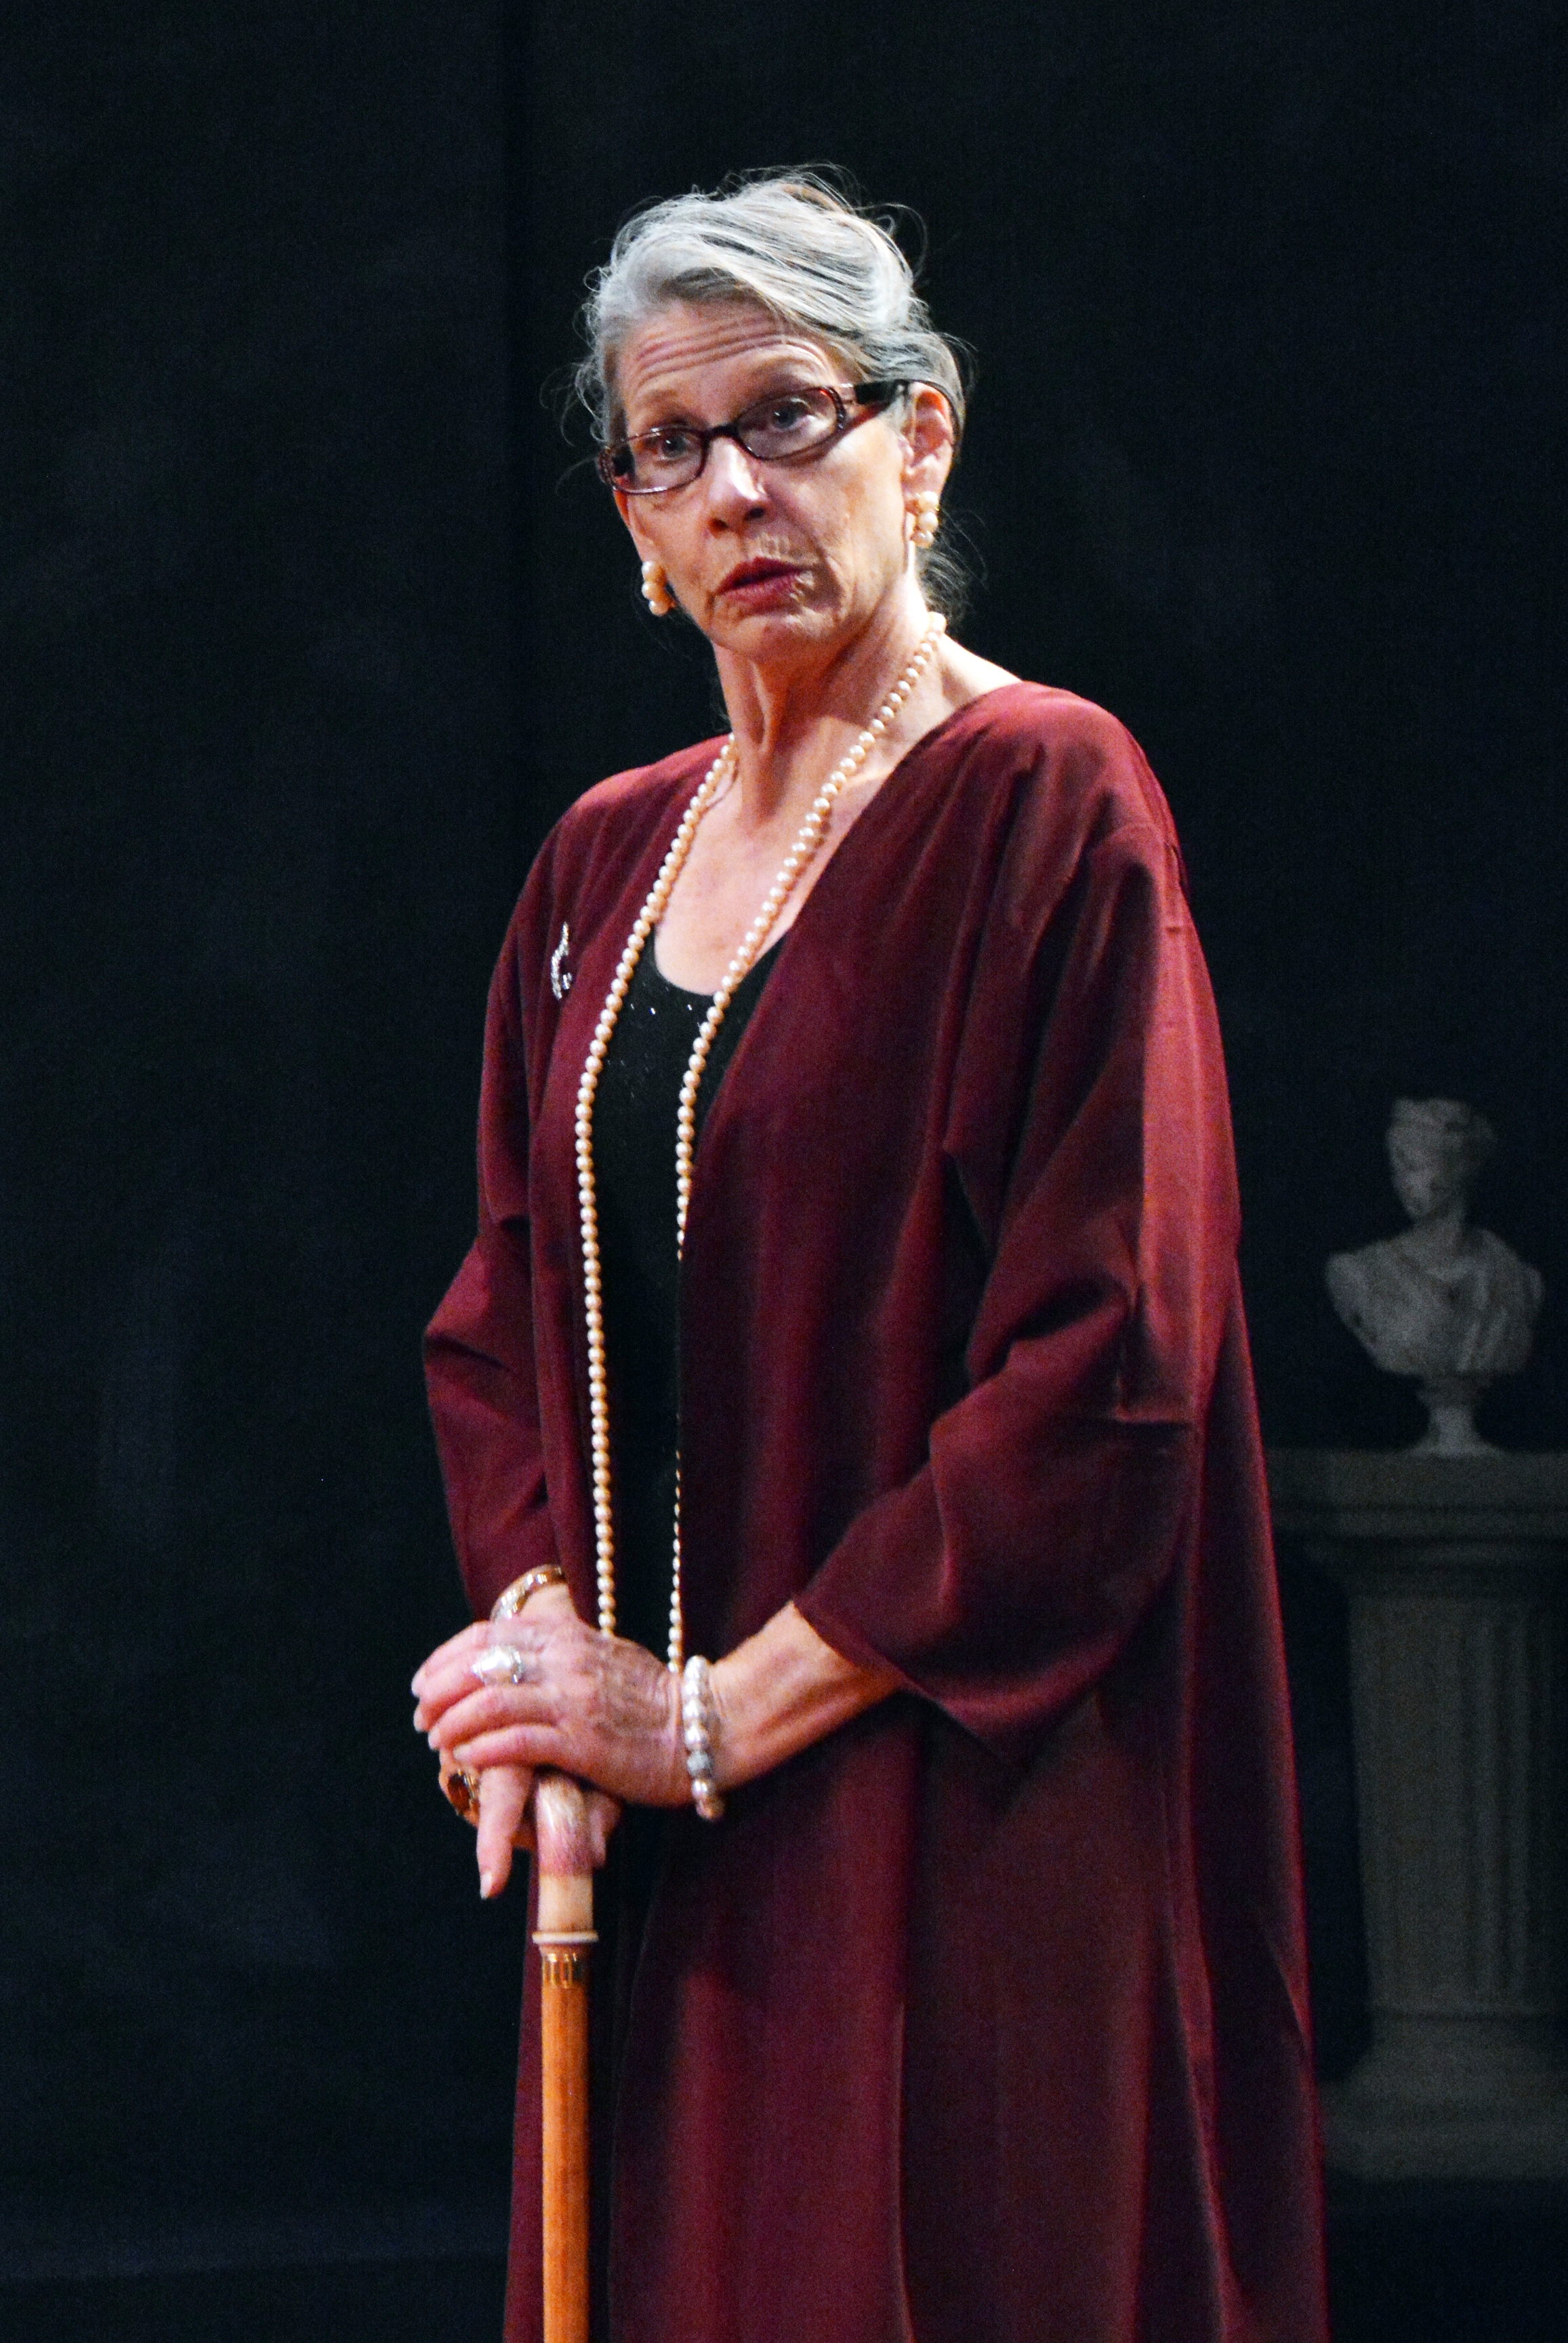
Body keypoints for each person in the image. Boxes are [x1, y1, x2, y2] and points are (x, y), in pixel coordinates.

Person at [411, 172, 1326, 2343]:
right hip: (658, 1847)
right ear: (634, 525)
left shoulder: (1044, 796)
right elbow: (499, 1322)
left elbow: (1108, 1374)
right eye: (670, 446)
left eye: (789, 416)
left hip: (948, 1809)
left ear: (920, 438)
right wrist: (544, 1676)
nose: (734, 487)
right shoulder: (602, 862)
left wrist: (713, 1714)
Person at [1326, 1095, 1543, 1450]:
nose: (1402, 1181)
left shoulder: (1516, 1279)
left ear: (1458, 1169)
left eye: (1413, 1166)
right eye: (1396, 1168)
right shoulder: (1359, 1274)